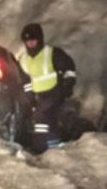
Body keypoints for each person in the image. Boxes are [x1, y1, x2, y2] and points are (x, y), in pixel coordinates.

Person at [18, 22, 76, 152]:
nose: (31, 43)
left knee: (40, 116)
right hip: (40, 95)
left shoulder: (52, 53)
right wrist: (29, 96)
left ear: (39, 39)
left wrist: (68, 84)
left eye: (33, 40)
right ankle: (55, 146)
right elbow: (25, 80)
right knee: (48, 119)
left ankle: (40, 147)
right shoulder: (23, 59)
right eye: (28, 41)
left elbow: (69, 67)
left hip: (55, 91)